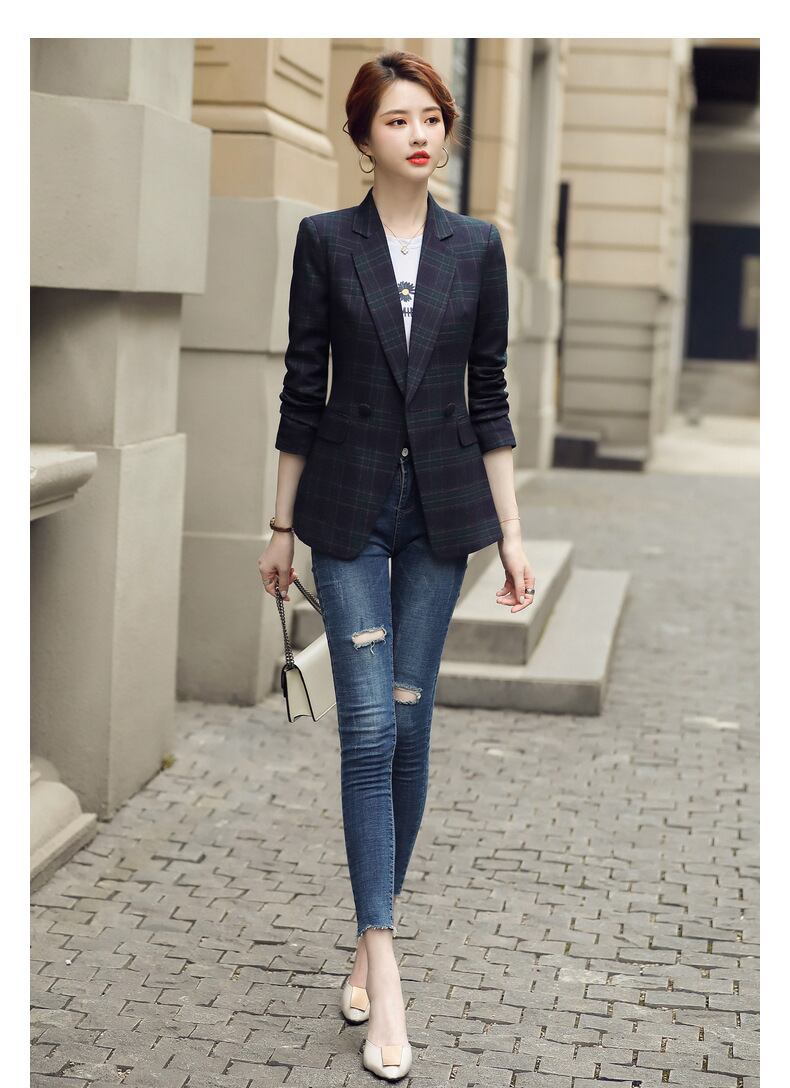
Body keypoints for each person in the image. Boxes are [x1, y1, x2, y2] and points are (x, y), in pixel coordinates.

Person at [258, 49, 535, 1082]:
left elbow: (488, 392)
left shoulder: (479, 247)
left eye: (431, 118)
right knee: (368, 725)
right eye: (396, 120)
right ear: (364, 138)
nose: (419, 134)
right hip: (346, 510)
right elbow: (303, 385)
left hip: (442, 517)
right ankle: (385, 955)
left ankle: (367, 935)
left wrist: (510, 533)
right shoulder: (326, 241)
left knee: (412, 722)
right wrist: (278, 525)